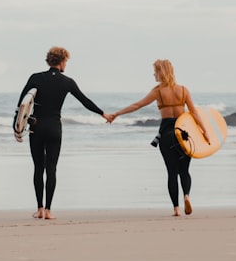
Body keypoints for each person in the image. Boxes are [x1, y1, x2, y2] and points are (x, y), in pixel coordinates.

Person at [107, 59, 209, 216]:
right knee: (185, 170)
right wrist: (205, 132)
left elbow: (137, 105)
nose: (153, 74)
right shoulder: (183, 90)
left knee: (171, 172)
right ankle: (187, 196)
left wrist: (117, 114)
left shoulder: (158, 92)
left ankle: (176, 209)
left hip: (167, 135)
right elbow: (194, 113)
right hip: (184, 133)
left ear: (161, 72)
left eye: (155, 71)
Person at [17, 46, 108, 220]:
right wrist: (103, 113)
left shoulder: (35, 78)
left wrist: (17, 128)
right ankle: (50, 211)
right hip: (54, 129)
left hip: (37, 127)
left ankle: (40, 209)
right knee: (51, 169)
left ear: (49, 60)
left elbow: (22, 103)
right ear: (63, 61)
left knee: (38, 168)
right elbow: (85, 101)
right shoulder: (67, 81)